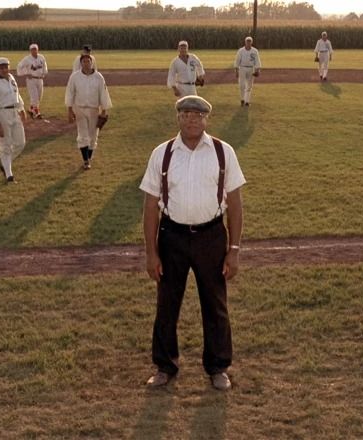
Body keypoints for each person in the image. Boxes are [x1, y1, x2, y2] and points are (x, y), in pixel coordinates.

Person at [139, 95, 246, 391]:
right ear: (178, 118)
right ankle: (164, 366)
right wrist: (151, 253)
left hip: (211, 237)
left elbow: (235, 204)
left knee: (215, 303)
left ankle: (218, 366)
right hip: (172, 236)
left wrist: (233, 250)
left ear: (206, 119)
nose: (192, 119)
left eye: (197, 115)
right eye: (186, 114)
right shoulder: (162, 154)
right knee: (167, 303)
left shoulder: (223, 152)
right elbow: (150, 206)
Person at [66, 54, 112, 170]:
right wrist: (70, 110)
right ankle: (85, 160)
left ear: (92, 63)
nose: (86, 63)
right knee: (82, 135)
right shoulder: (75, 77)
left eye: (88, 61)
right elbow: (70, 93)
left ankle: (89, 158)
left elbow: (103, 94)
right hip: (80, 108)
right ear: (80, 63)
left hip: (93, 109)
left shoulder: (98, 77)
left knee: (92, 136)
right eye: (84, 61)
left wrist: (104, 110)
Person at [0, 57, 26, 183]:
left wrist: (21, 108)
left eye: (6, 67)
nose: (4, 69)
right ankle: (9, 175)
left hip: (14, 113)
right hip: (2, 114)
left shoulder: (11, 78)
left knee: (21, 143)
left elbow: (16, 94)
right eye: (1, 67)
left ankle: (5, 163)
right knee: (5, 145)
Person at [17, 43, 48, 119]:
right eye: (32, 49)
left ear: (37, 50)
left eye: (35, 49)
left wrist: (44, 73)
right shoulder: (27, 59)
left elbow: (45, 66)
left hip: (40, 79)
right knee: (34, 96)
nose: (34, 51)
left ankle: (31, 109)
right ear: (30, 50)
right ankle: (36, 113)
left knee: (39, 96)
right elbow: (19, 66)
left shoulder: (41, 57)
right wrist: (25, 74)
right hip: (31, 80)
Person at [234, 36, 262, 107]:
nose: (248, 43)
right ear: (245, 42)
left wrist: (257, 70)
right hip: (242, 68)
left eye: (249, 41)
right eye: (247, 41)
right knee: (242, 85)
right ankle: (242, 99)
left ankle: (247, 101)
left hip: (251, 68)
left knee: (249, 86)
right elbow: (237, 60)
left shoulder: (255, 51)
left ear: (251, 42)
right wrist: (236, 70)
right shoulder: (241, 50)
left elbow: (257, 61)